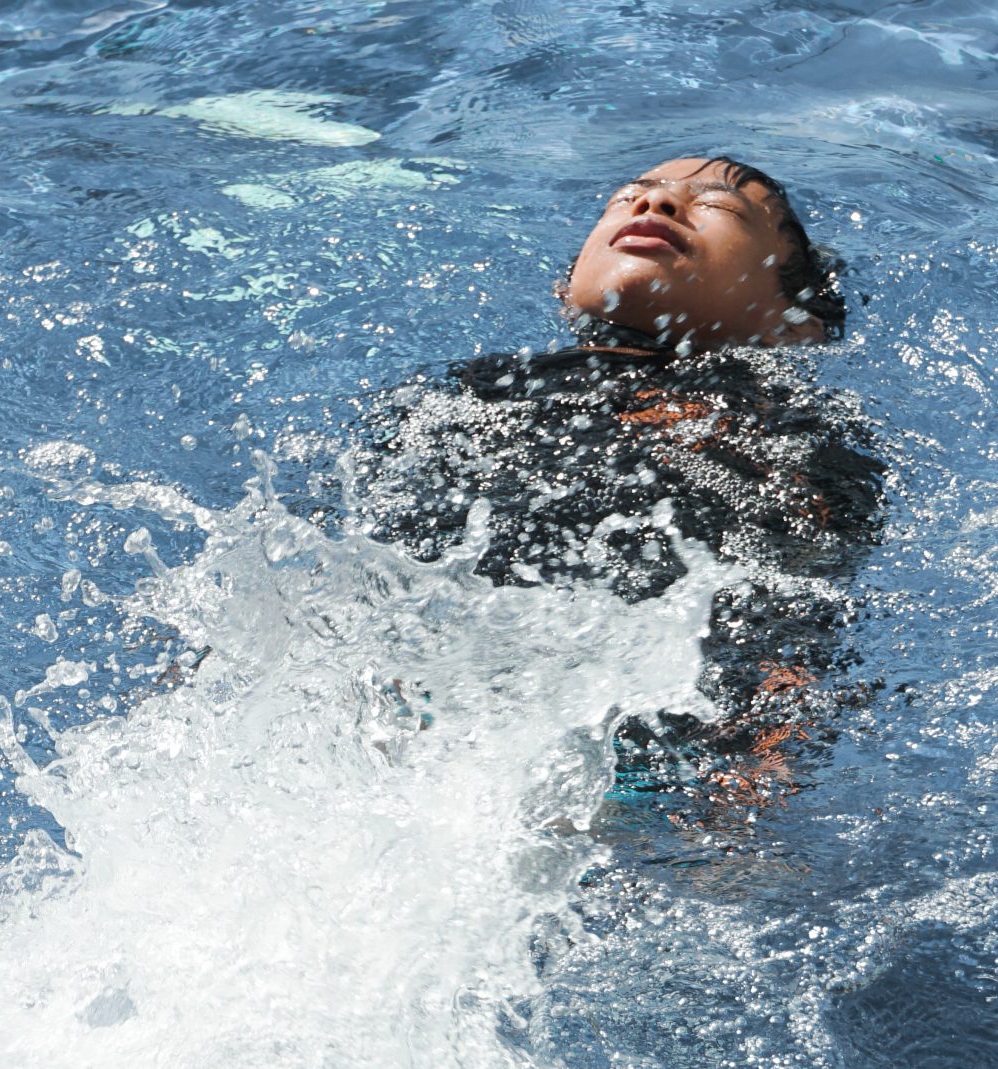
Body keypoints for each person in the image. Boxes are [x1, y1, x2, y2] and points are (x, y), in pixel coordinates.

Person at [361, 156, 884, 811]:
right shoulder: (471, 391)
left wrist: (766, 755)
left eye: (718, 207)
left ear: (795, 323)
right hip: (434, 717)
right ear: (566, 289)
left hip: (654, 767)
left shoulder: (793, 430)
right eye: (628, 197)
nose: (654, 208)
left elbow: (806, 598)